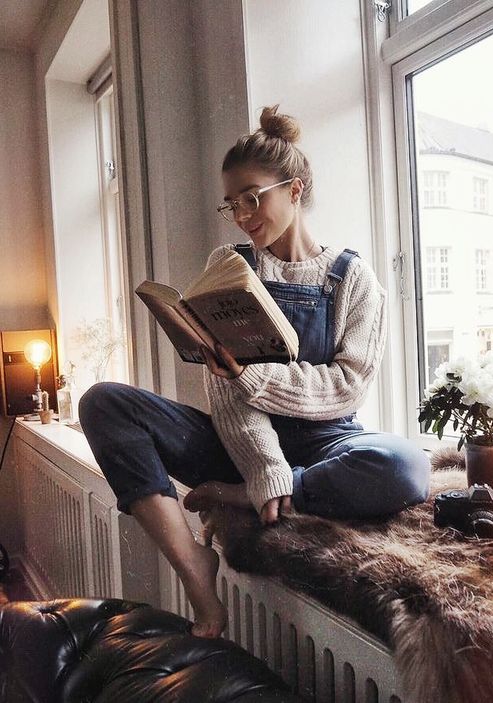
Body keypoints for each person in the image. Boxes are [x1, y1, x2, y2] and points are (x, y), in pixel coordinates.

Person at [79, 105, 430, 639]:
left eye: (253, 197)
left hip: (325, 442)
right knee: (104, 402)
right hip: (238, 442)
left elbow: (346, 386)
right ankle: (197, 574)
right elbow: (225, 394)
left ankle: (240, 494)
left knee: (404, 465)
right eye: (232, 204)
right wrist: (264, 465)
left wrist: (253, 385)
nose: (242, 214)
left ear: (295, 189)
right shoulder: (232, 265)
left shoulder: (353, 278)